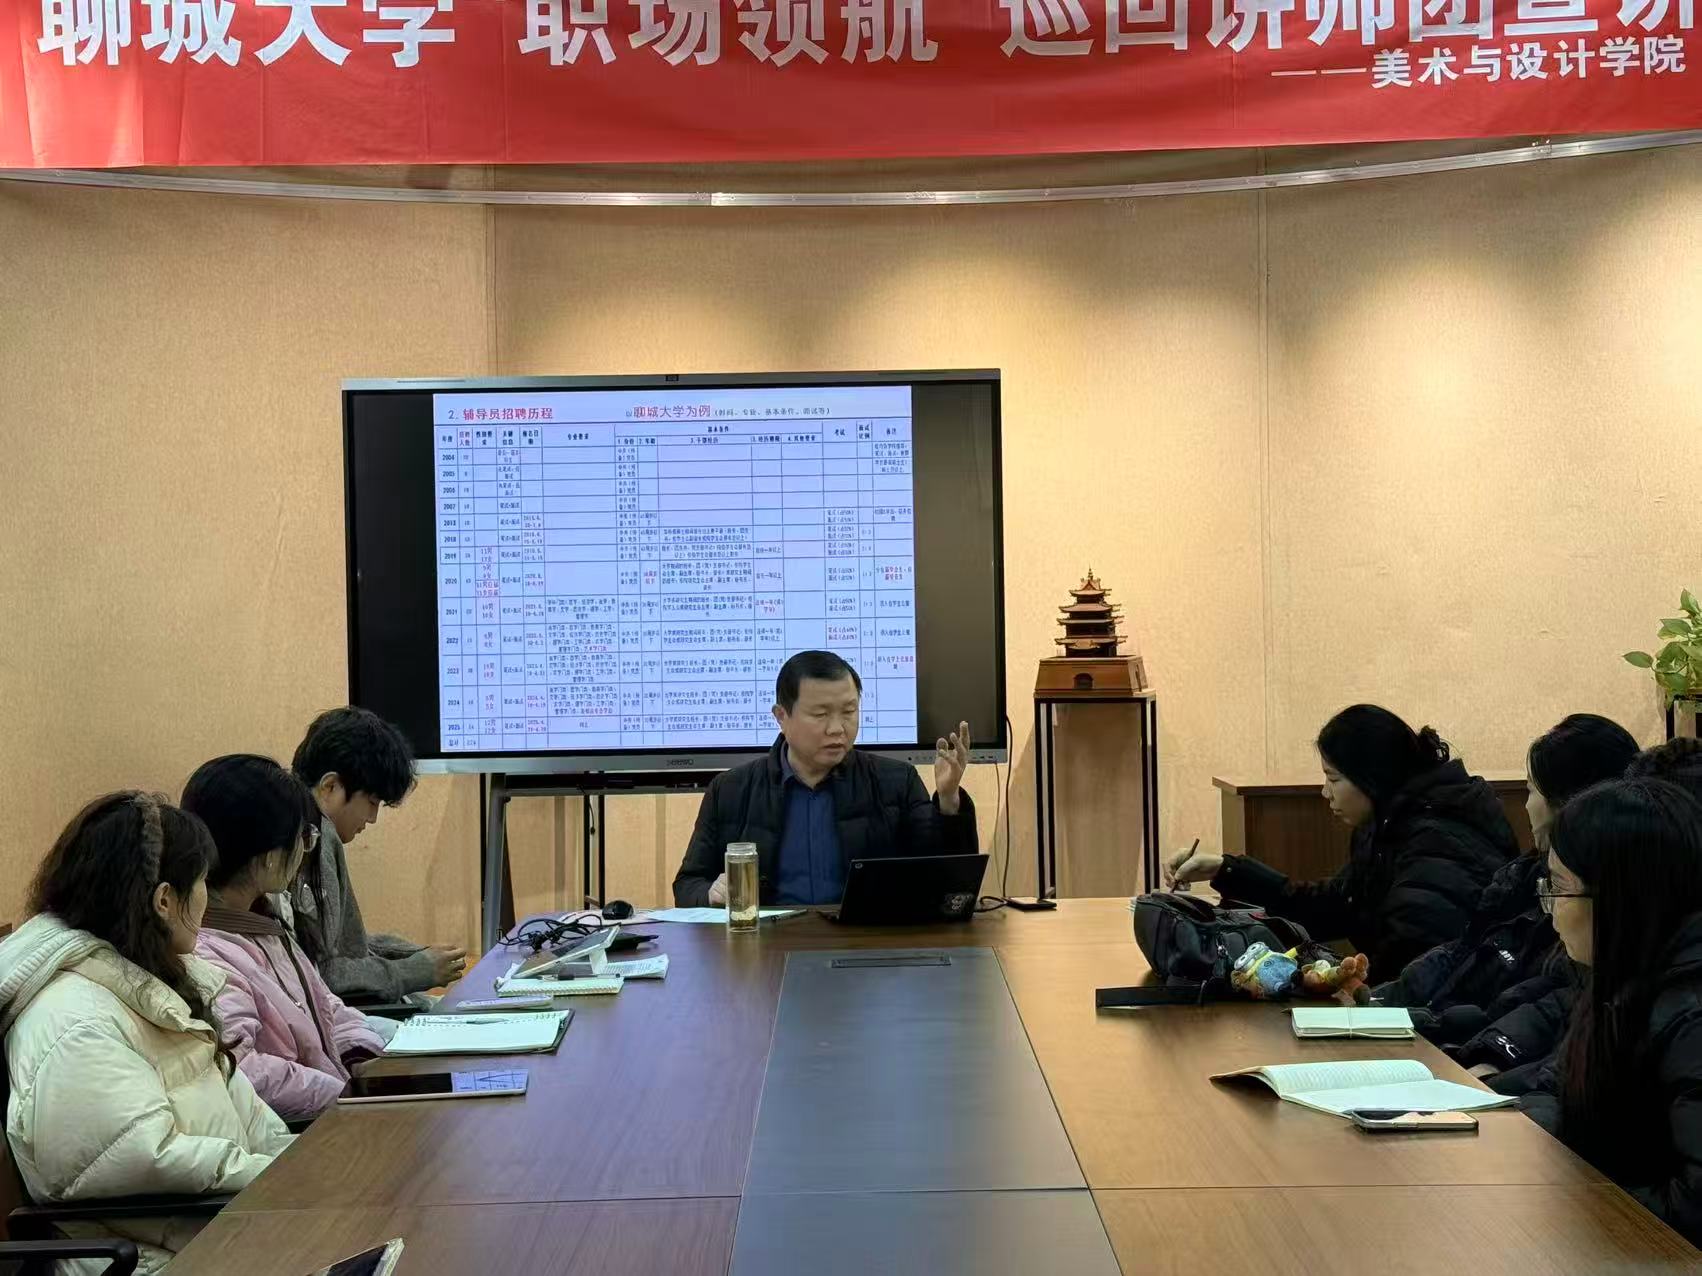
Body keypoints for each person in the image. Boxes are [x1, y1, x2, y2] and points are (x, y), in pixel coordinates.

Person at [0, 793, 292, 1274]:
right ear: (164, 901)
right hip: (157, 1260)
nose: (206, 899)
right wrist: (279, 1179)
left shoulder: (149, 988)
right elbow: (134, 1155)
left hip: (224, 1232)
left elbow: (249, 1118)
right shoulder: (76, 1021)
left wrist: (305, 1169)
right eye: (201, 883)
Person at [1166, 704, 1516, 973]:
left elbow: (1410, 969)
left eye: (1333, 779)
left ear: (1372, 777)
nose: (1325, 792)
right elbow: (1331, 905)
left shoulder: (1437, 842)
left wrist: (1328, 981)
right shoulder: (1389, 825)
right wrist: (1225, 869)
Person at [1521, 778, 1702, 1248]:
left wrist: (1571, 1206)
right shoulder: (1625, 973)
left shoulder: (1690, 1014)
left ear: (1621, 899)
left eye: (1558, 889)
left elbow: (1694, 1210)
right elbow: (1553, 1088)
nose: (1550, 910)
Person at [1373, 713, 1637, 1016]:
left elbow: (1522, 1017)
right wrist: (1376, 1002)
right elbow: (1463, 952)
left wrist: (1420, 1023)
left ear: (1569, 804)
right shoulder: (1524, 876)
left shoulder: (1583, 911)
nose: (1525, 805)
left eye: (1530, 790)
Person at [673, 650, 977, 907]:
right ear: (781, 716)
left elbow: (946, 881)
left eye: (849, 711)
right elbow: (688, 885)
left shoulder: (896, 781)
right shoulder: (730, 790)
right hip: (765, 944)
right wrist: (710, 894)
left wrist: (948, 800)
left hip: (866, 943)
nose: (837, 728)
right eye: (820, 714)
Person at [184, 754, 387, 1121]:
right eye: (304, 838)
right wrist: (343, 1094)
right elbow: (242, 1069)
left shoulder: (264, 921)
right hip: (299, 1131)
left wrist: (360, 1054)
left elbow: (327, 1007)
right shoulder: (206, 952)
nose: (305, 850)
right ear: (269, 855)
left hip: (337, 1107)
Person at [289, 706, 465, 1005]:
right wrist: (411, 970)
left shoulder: (304, 822)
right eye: (372, 802)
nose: (372, 819)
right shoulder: (313, 836)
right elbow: (321, 972)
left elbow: (340, 947)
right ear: (330, 786)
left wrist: (410, 955)